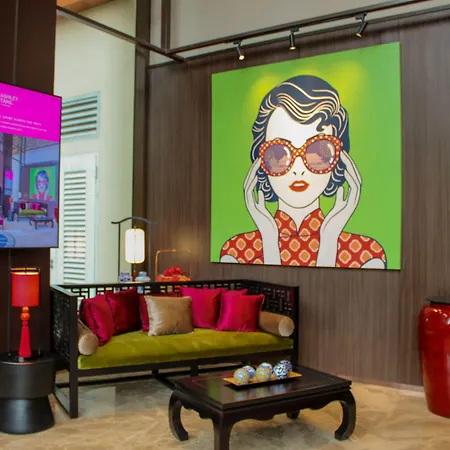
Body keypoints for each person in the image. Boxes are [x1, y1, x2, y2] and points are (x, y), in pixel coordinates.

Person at [220, 75, 386, 269]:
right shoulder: (236, 253)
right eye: (279, 153)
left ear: (339, 158)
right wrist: (269, 241)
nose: (298, 170)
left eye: (319, 152)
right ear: (261, 162)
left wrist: (329, 240)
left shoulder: (366, 256)